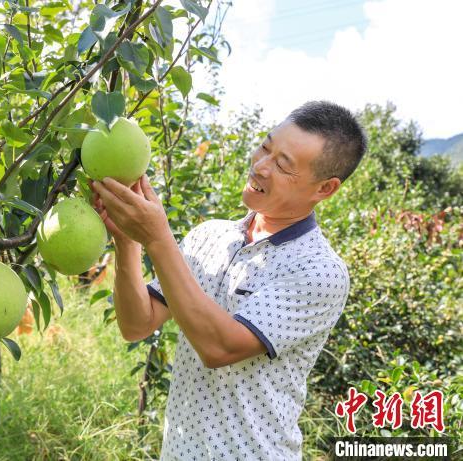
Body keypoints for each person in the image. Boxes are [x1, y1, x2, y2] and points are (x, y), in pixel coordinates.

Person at [90, 101, 368, 460]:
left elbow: (220, 347)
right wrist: (127, 240)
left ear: (325, 189)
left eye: (283, 165)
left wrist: (158, 238)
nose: (261, 166)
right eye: (266, 147)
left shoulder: (319, 271)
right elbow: (137, 324)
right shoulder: (210, 236)